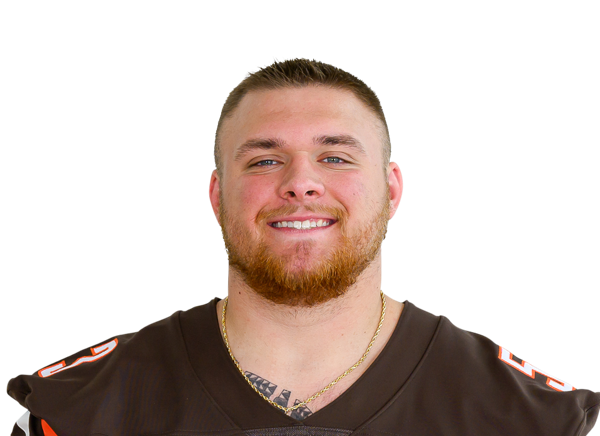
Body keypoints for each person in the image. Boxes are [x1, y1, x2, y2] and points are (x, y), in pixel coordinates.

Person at [7, 57, 599, 435]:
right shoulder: (78, 411)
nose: (300, 183)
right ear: (216, 194)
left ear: (392, 189)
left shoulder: (533, 418)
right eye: (265, 160)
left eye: (335, 157)